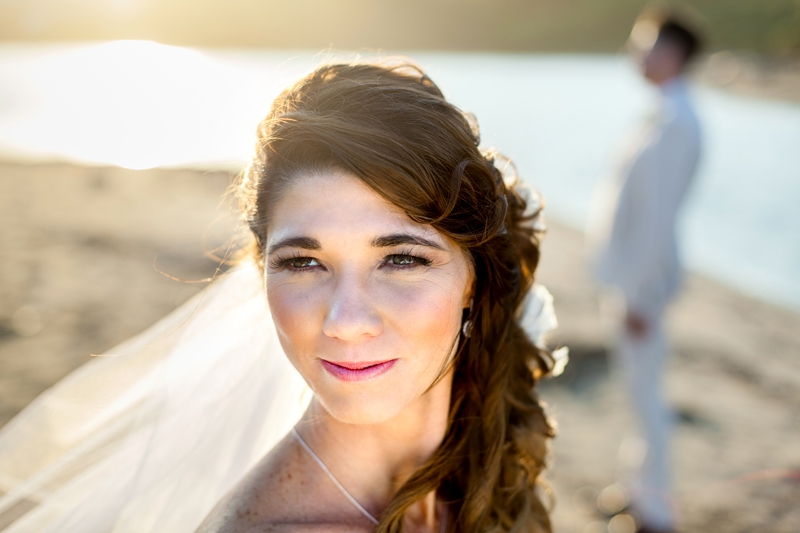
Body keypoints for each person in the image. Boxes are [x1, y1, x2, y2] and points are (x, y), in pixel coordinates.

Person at [0, 60, 567, 533]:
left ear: (473, 277)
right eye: (304, 263)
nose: (346, 322)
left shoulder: (482, 457)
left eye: (400, 259)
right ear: (259, 269)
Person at [585, 8, 703, 533]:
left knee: (646, 395)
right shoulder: (665, 113)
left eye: (645, 43)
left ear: (672, 53)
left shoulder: (677, 121)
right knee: (637, 389)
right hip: (634, 279)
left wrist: (639, 295)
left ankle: (655, 511)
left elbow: (656, 220)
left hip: (643, 284)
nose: (636, 52)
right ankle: (638, 490)